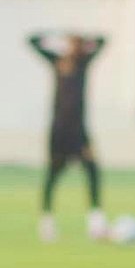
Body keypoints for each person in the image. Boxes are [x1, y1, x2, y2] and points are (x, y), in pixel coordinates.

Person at [28, 31, 108, 243]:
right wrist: (57, 37)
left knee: (92, 170)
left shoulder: (83, 63)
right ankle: (47, 221)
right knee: (53, 174)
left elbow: (103, 41)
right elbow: (32, 41)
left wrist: (84, 41)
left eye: (75, 44)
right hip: (59, 130)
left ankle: (96, 222)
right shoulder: (57, 62)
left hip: (79, 130)